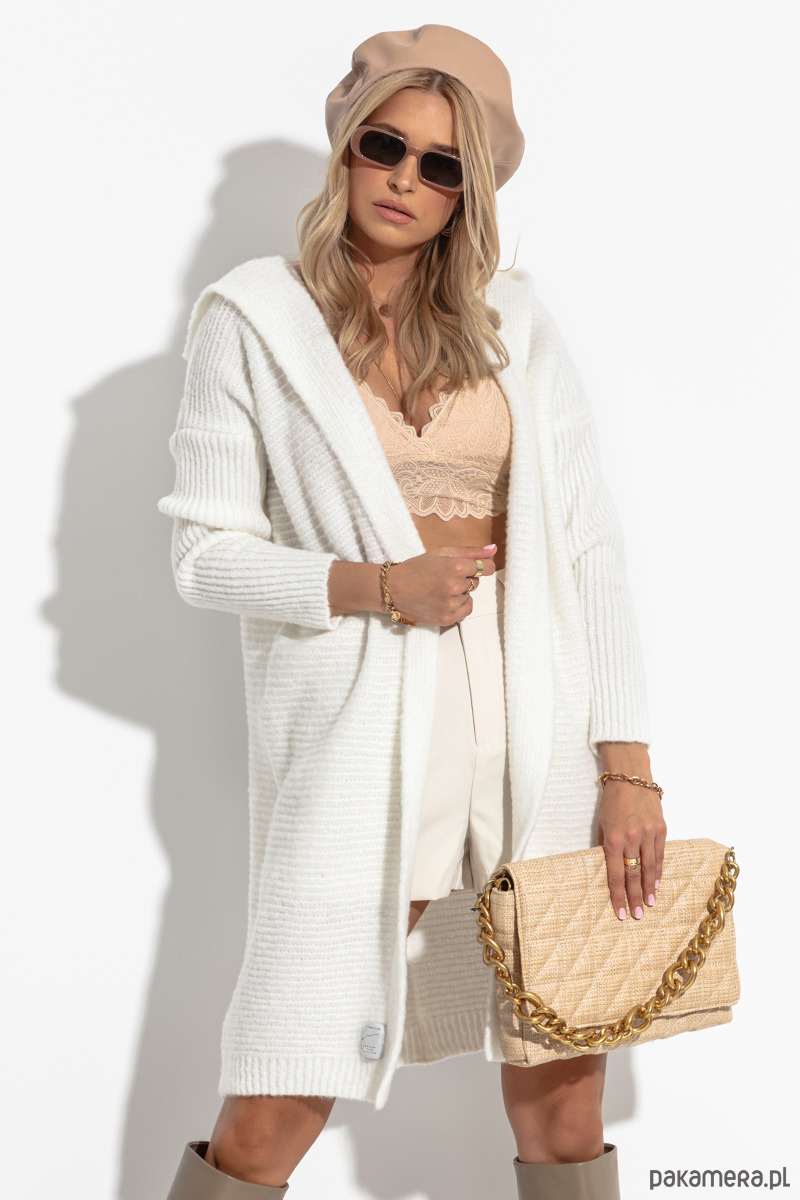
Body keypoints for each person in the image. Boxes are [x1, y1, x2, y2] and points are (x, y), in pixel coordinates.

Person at [159, 24, 665, 1200]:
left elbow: (588, 551)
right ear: (345, 145)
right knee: (279, 1090)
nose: (403, 179)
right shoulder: (252, 320)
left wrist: (626, 770)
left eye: (440, 165)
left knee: (564, 1093)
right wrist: (377, 585)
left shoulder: (515, 326)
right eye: (383, 145)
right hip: (363, 744)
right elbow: (203, 557)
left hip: (531, 743)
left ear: (466, 193)